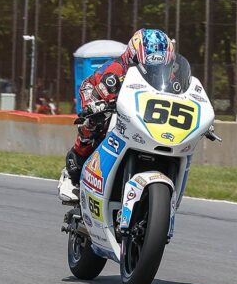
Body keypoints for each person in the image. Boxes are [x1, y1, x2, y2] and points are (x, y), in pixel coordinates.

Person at [57, 29, 175, 202]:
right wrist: (96, 105)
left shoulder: (170, 76)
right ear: (134, 57)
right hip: (99, 94)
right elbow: (96, 91)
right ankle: (72, 171)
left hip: (147, 113)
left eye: (160, 67)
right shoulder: (116, 71)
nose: (155, 71)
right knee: (96, 121)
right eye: (151, 67)